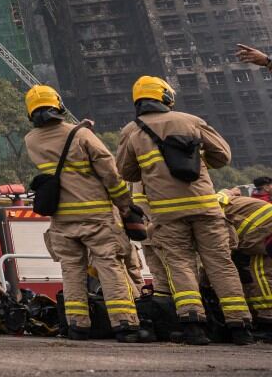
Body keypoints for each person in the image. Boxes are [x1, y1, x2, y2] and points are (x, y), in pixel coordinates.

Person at [115, 76, 252, 345]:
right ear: (165, 96)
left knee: (180, 266)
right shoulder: (191, 121)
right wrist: (200, 163)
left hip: (166, 213)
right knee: (221, 264)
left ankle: (193, 327)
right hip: (205, 207)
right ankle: (240, 326)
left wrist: (152, 169)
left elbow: (125, 171)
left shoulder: (132, 131)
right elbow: (223, 156)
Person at [23, 85, 150, 343]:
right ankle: (125, 324)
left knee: (71, 272)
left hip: (61, 221)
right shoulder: (80, 135)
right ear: (57, 105)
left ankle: (77, 326)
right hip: (96, 217)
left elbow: (59, 150)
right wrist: (124, 204)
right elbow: (110, 173)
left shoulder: (31, 140)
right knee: (110, 268)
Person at [217, 188, 272, 341]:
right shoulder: (222, 200)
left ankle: (268, 322)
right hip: (262, 233)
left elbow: (222, 251)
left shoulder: (212, 207)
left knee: (261, 274)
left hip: (266, 231)